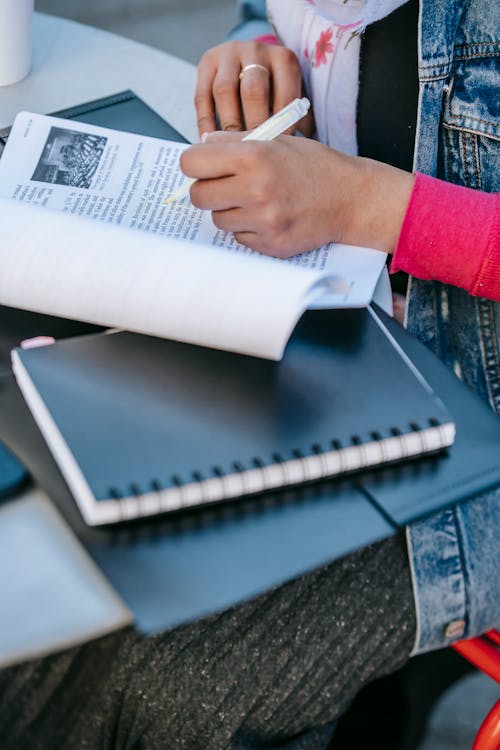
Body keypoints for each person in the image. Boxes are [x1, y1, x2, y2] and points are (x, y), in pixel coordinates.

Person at [1, 2, 498, 748]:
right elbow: (260, 14)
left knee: (173, 676)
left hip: (468, 450)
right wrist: (257, 54)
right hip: (333, 342)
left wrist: (369, 205)